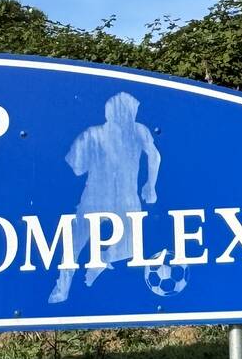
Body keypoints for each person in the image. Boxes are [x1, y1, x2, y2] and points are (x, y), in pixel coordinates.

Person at [49, 92, 161, 304]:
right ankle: (66, 285)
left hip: (105, 198)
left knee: (80, 245)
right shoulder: (132, 131)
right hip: (114, 199)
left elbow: (75, 168)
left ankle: (66, 285)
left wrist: (150, 185)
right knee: (81, 244)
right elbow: (155, 156)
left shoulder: (96, 134)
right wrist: (150, 186)